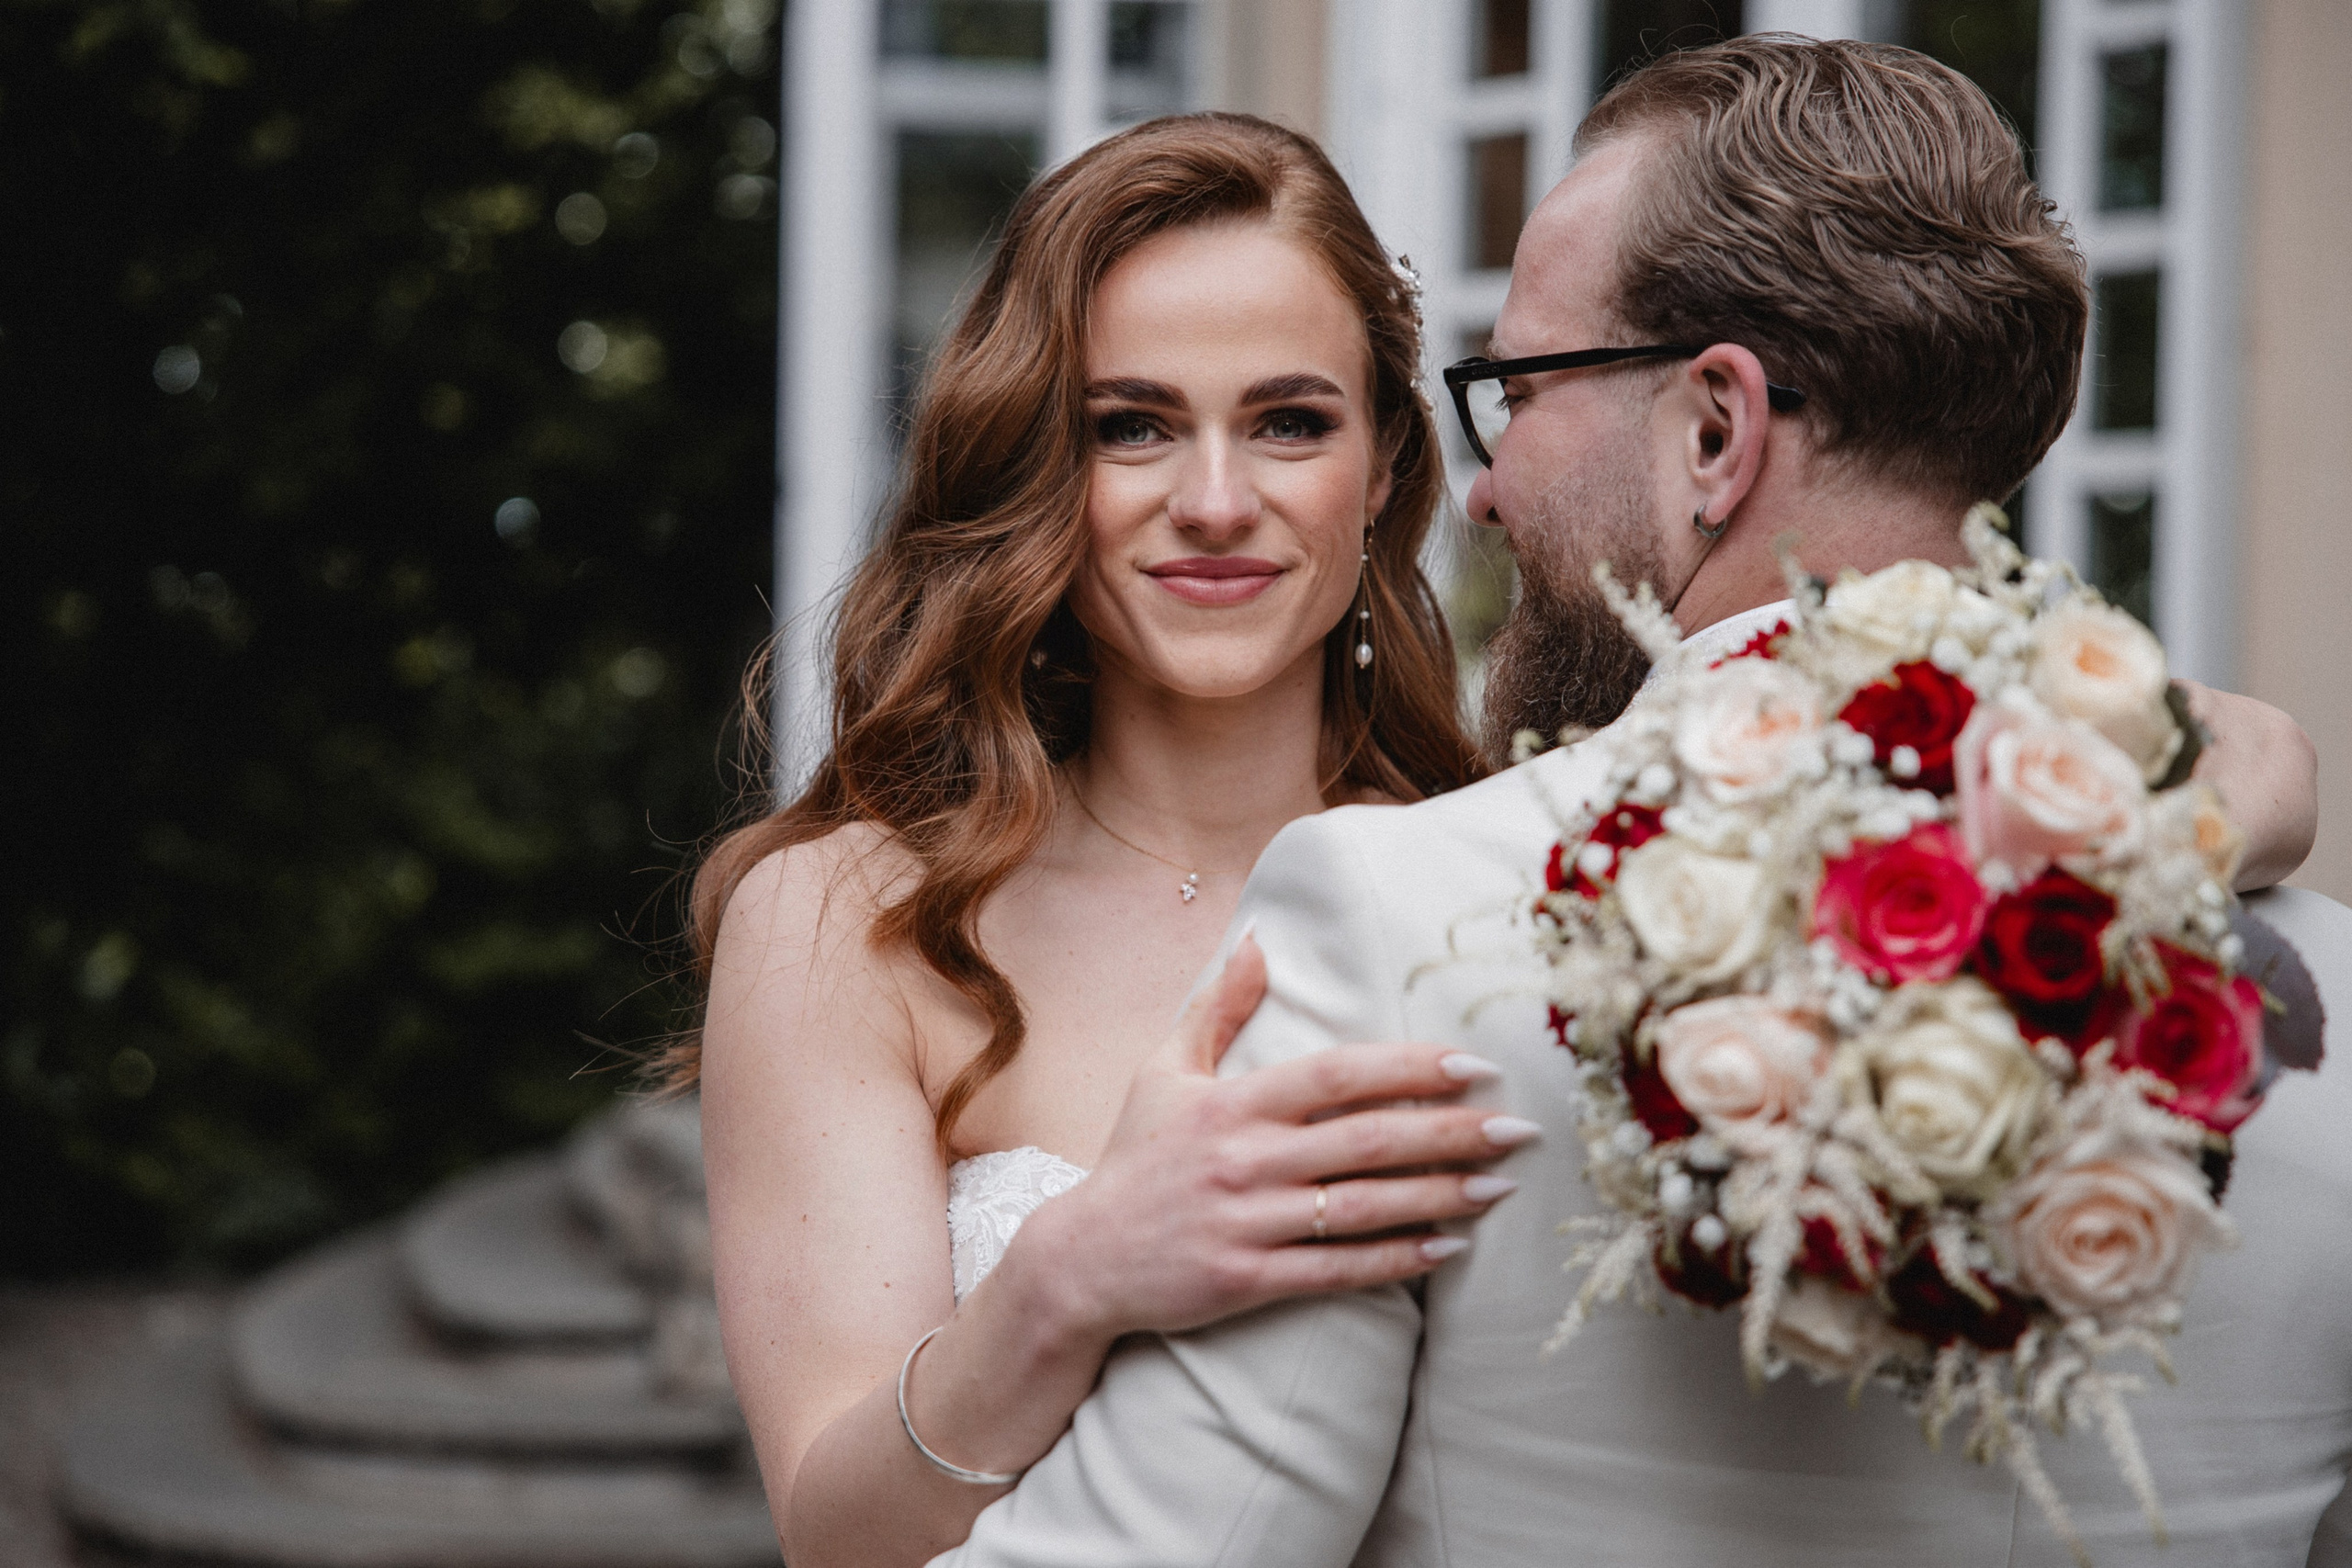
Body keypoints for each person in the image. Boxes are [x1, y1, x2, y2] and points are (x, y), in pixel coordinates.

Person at [925, 39, 2349, 1568]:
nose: (1484, 491)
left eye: (1517, 390)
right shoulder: (2317, 994)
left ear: (1715, 432)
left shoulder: (1392, 923)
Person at [689, 115, 1555, 1568]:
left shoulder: (1521, 886)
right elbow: (838, 1540)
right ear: (1038, 463)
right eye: (1131, 426)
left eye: (1290, 422)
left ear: (1385, 465)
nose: (1214, 503)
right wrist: (1065, 1281)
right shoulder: (844, 922)